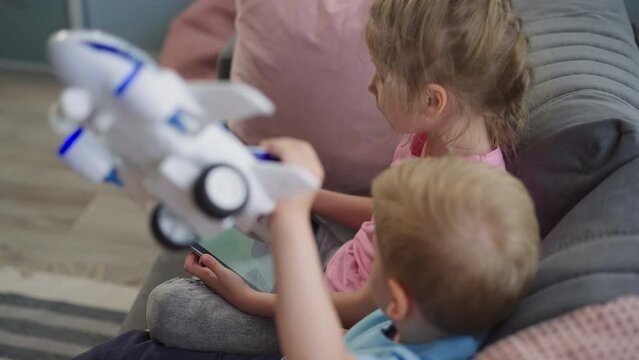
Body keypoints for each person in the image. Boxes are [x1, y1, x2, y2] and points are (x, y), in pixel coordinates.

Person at [147, 0, 533, 353]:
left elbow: (370, 303)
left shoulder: (464, 207)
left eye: (381, 76)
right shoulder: (429, 135)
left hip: (337, 314)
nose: (371, 86)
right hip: (341, 259)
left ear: (433, 100)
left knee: (169, 309)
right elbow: (386, 212)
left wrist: (252, 302)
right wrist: (306, 194)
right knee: (230, 199)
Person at [260, 139, 540, 360]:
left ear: (398, 301)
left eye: (377, 251)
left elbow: (313, 355)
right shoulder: (445, 316)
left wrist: (290, 216)